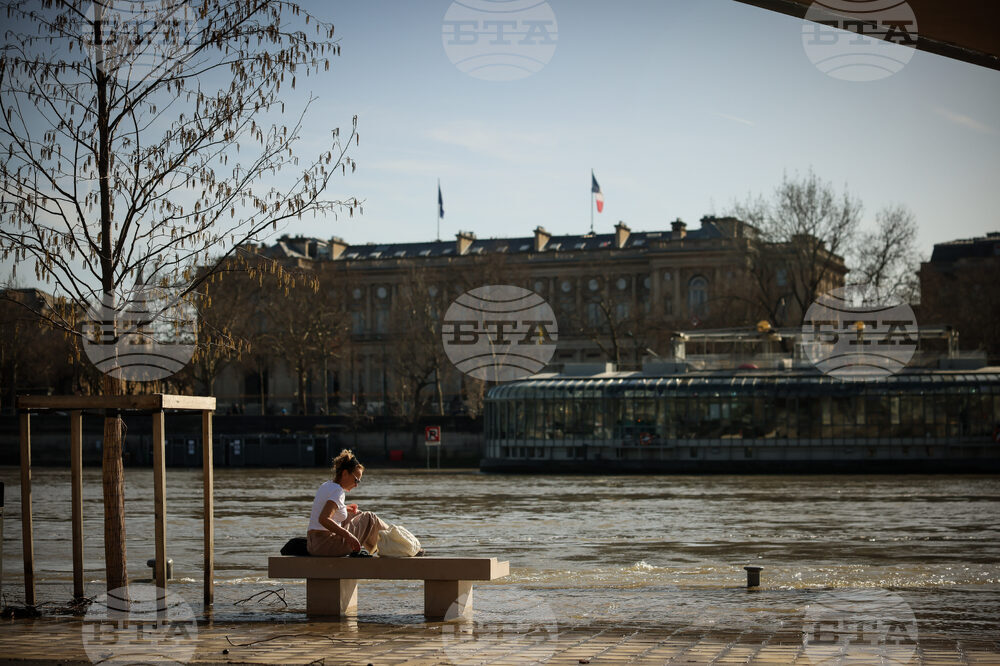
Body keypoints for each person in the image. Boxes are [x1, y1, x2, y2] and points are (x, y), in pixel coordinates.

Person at [307, 449, 389, 556]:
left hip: (313, 544)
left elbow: (325, 510)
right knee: (370, 518)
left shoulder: (326, 485)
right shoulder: (338, 491)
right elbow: (323, 519)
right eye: (356, 480)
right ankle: (396, 546)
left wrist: (344, 508)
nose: (356, 485)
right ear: (345, 473)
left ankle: (385, 547)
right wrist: (348, 536)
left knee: (356, 514)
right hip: (326, 545)